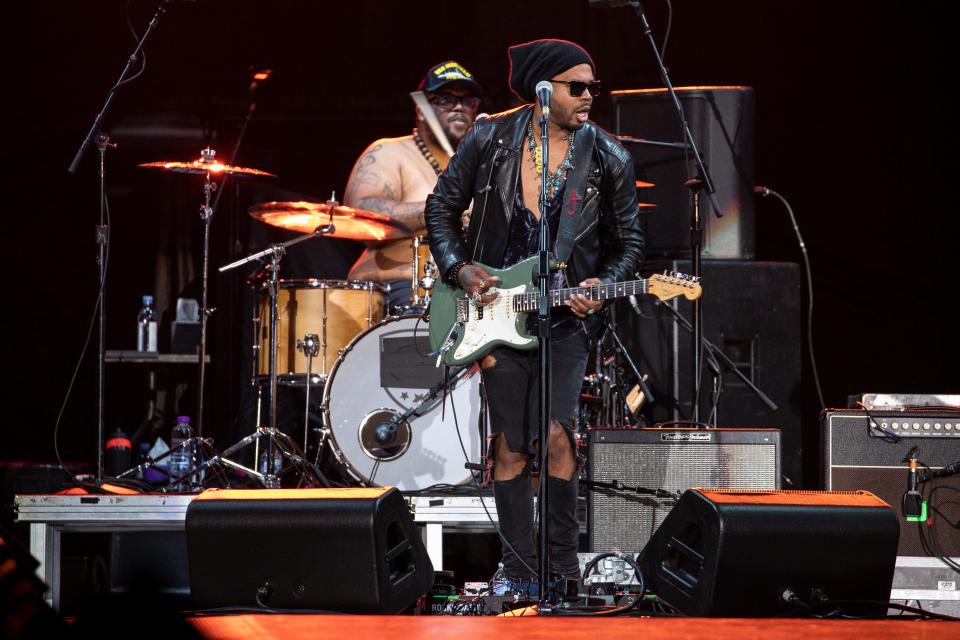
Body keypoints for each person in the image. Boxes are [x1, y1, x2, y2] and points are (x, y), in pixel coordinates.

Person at [426, 39, 644, 592]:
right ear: (544, 90)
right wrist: (458, 269)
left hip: (566, 318)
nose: (590, 96)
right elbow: (441, 206)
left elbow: (630, 241)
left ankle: (564, 568)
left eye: (594, 85)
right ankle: (519, 570)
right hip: (494, 309)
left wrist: (605, 284)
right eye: (578, 86)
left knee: (557, 438)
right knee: (511, 442)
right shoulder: (490, 136)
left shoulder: (608, 155)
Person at [344, 61, 483, 310]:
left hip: (468, 290)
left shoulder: (482, 165)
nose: (459, 107)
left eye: (468, 101)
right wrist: (444, 210)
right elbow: (362, 218)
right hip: (400, 287)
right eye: (445, 99)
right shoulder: (390, 151)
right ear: (421, 110)